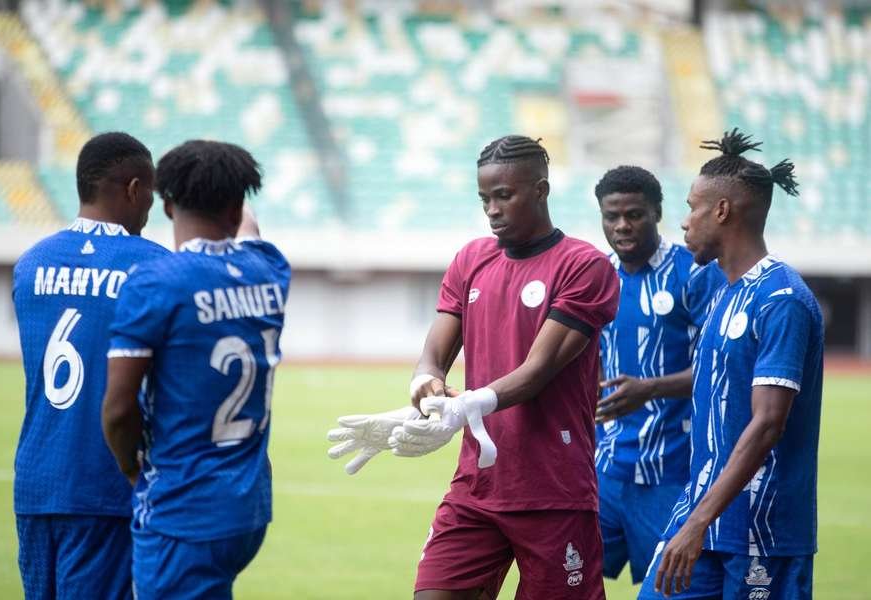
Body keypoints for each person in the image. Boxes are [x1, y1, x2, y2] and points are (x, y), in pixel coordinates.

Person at [329, 135, 619, 599]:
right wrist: (425, 390)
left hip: (553, 490)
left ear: (541, 191)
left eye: (504, 195)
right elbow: (434, 354)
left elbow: (538, 369)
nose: (492, 209)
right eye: (485, 198)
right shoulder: (472, 259)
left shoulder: (584, 266)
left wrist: (464, 407)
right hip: (477, 485)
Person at [102, 140, 290, 599]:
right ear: (235, 204)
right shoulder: (269, 270)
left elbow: (119, 408)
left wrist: (131, 469)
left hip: (182, 508)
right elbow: (248, 228)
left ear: (165, 204)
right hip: (246, 509)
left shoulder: (156, 282)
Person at [638, 129, 822, 599]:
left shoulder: (782, 300)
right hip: (702, 514)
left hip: (762, 531)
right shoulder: (722, 292)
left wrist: (699, 521)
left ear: (721, 211)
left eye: (691, 208)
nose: (683, 223)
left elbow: (767, 425)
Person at [12, 131, 168, 599]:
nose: (151, 210)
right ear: (134, 188)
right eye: (151, 196)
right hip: (106, 485)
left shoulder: (30, 264)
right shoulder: (154, 267)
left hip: (36, 483)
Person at [593, 166, 725, 586]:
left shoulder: (696, 273)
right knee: (564, 579)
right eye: (612, 216)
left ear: (657, 213)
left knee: (671, 589)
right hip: (604, 469)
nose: (622, 226)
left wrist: (650, 389)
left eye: (634, 214)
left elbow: (720, 369)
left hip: (672, 472)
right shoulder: (595, 276)